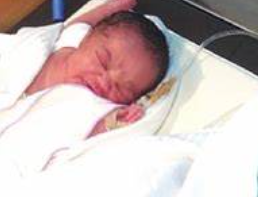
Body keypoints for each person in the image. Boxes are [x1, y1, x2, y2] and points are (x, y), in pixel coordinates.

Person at [23, 0, 170, 132]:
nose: (104, 82)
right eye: (102, 62)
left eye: (120, 88)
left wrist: (118, 120)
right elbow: (78, 25)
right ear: (84, 39)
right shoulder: (64, 48)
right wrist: (110, 7)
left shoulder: (91, 109)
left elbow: (90, 133)